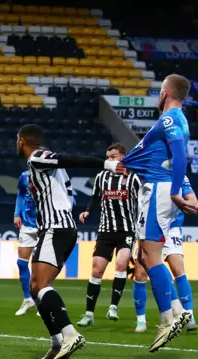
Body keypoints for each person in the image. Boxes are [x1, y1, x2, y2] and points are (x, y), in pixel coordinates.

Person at [16, 124, 123, 359]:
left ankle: (70, 335)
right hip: (61, 228)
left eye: (17, 139)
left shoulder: (37, 157)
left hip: (56, 228)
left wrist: (108, 165)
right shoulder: (45, 165)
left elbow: (71, 159)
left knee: (40, 285)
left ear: (22, 141)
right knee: (36, 288)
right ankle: (57, 343)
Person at [121, 74, 194, 352]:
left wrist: (176, 190)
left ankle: (167, 319)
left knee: (150, 256)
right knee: (144, 254)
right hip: (160, 188)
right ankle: (177, 311)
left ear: (165, 92)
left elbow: (179, 156)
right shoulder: (179, 119)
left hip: (158, 191)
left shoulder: (169, 119)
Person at [76, 143, 141, 327]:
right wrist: (88, 211)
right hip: (105, 230)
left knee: (122, 264)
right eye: (108, 157)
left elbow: (143, 200)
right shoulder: (101, 177)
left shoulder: (133, 178)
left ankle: (113, 306)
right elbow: (96, 197)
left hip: (127, 230)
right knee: (96, 270)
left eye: (113, 157)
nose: (110, 160)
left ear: (122, 157)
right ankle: (89, 314)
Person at [132, 176, 196, 333]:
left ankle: (188, 316)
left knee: (177, 268)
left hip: (171, 226)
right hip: (147, 226)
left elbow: (189, 194)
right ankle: (141, 321)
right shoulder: (142, 172)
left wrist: (191, 202)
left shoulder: (179, 173)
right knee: (140, 272)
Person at [12, 169, 38, 316]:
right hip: (27, 225)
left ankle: (42, 301)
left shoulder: (52, 175)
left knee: (41, 266)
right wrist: (17, 213)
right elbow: (21, 194)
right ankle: (28, 299)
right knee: (22, 263)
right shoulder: (24, 175)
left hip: (45, 225)